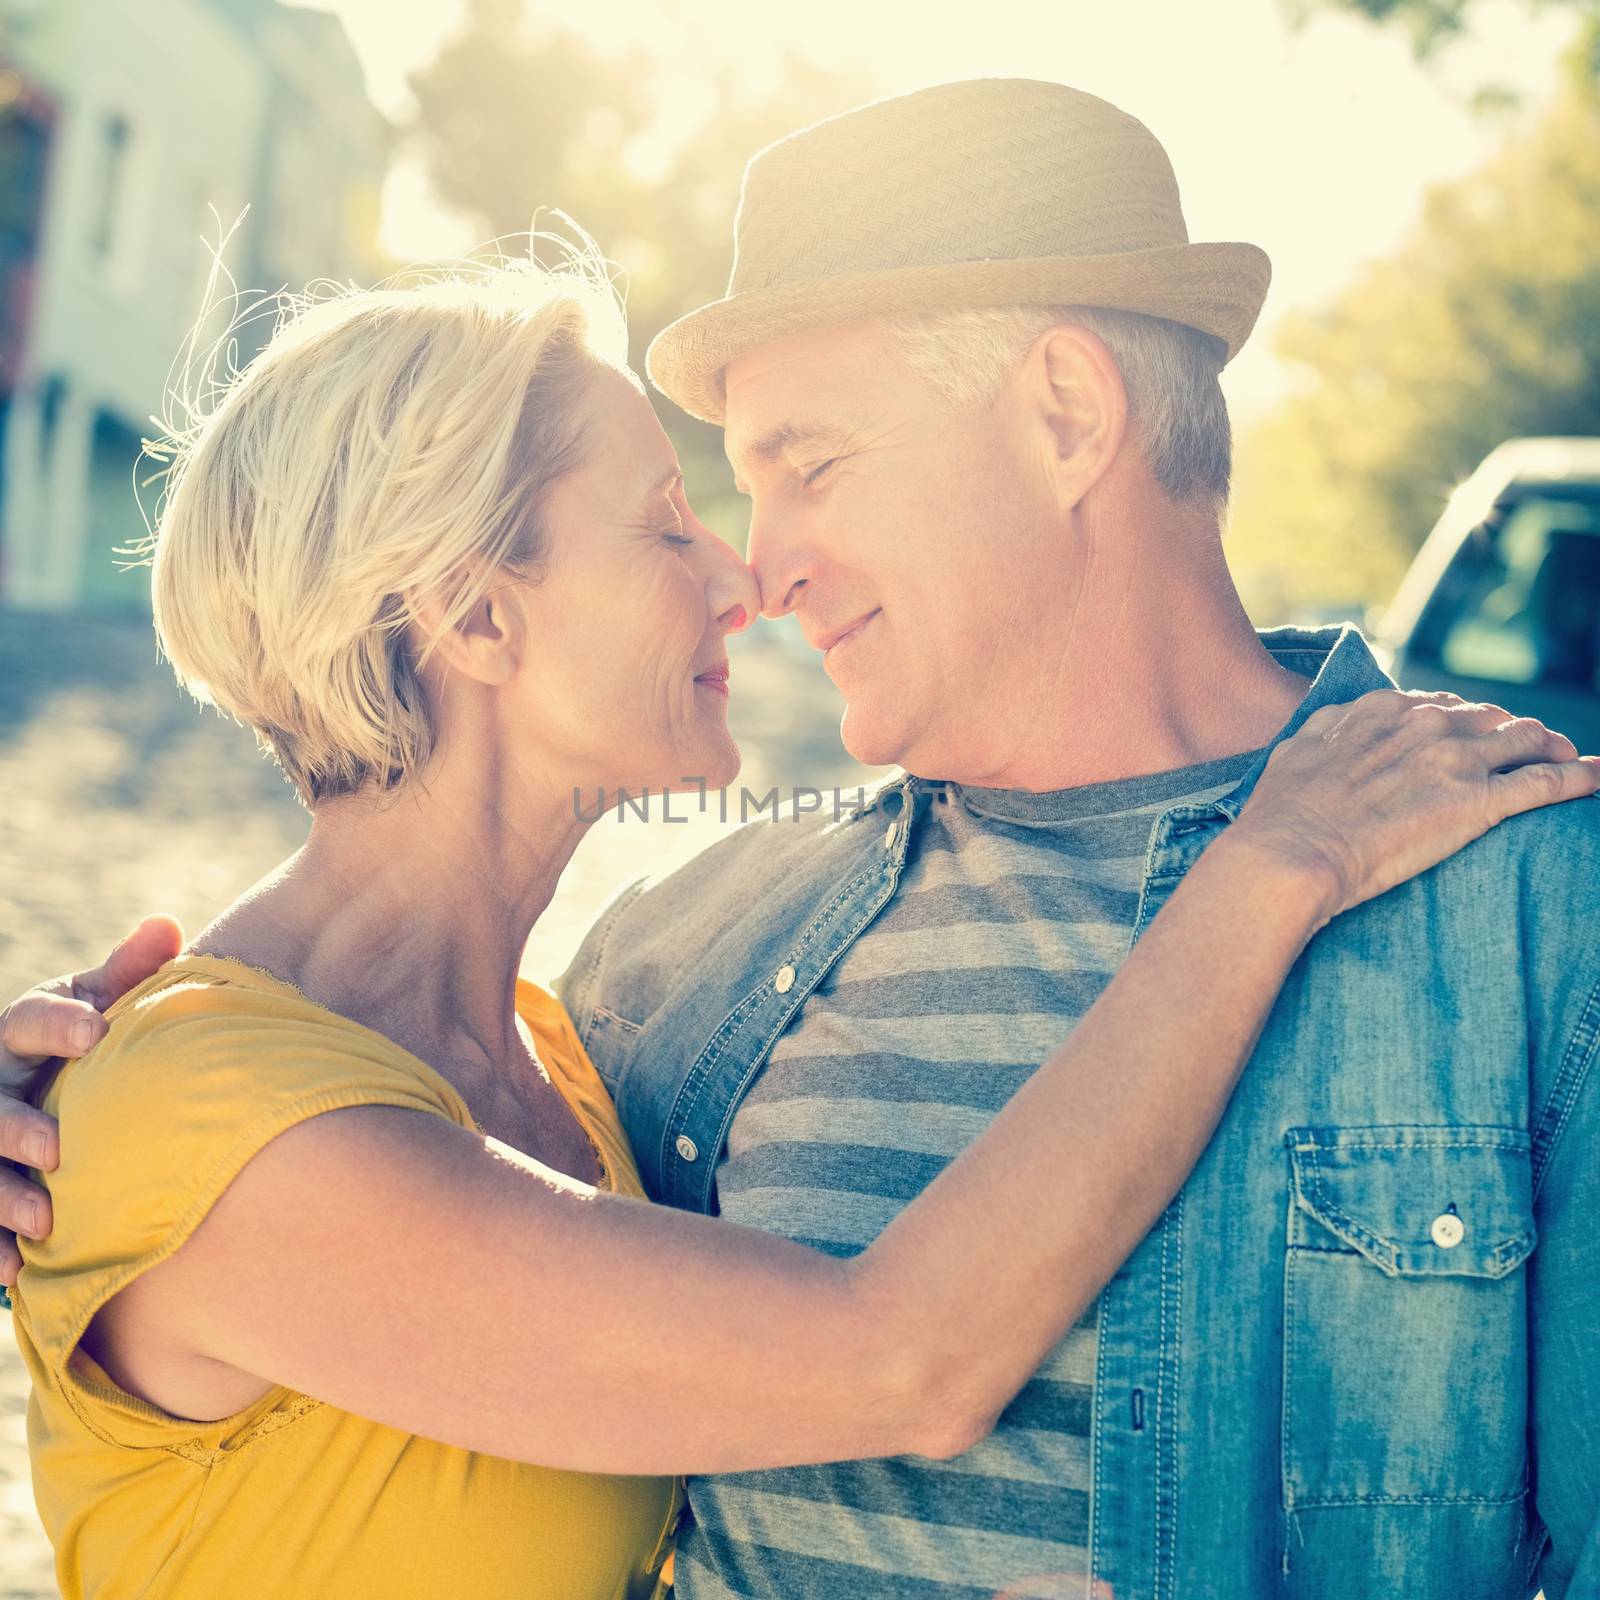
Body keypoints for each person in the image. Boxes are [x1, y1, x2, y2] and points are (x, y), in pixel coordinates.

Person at [2, 79, 1597, 1600]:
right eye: (678, 517)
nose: (750, 578)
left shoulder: (572, 1060)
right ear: (473, 611)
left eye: (805, 468)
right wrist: (1268, 869)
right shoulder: (673, 981)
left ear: (1064, 414)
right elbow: (887, 1355)